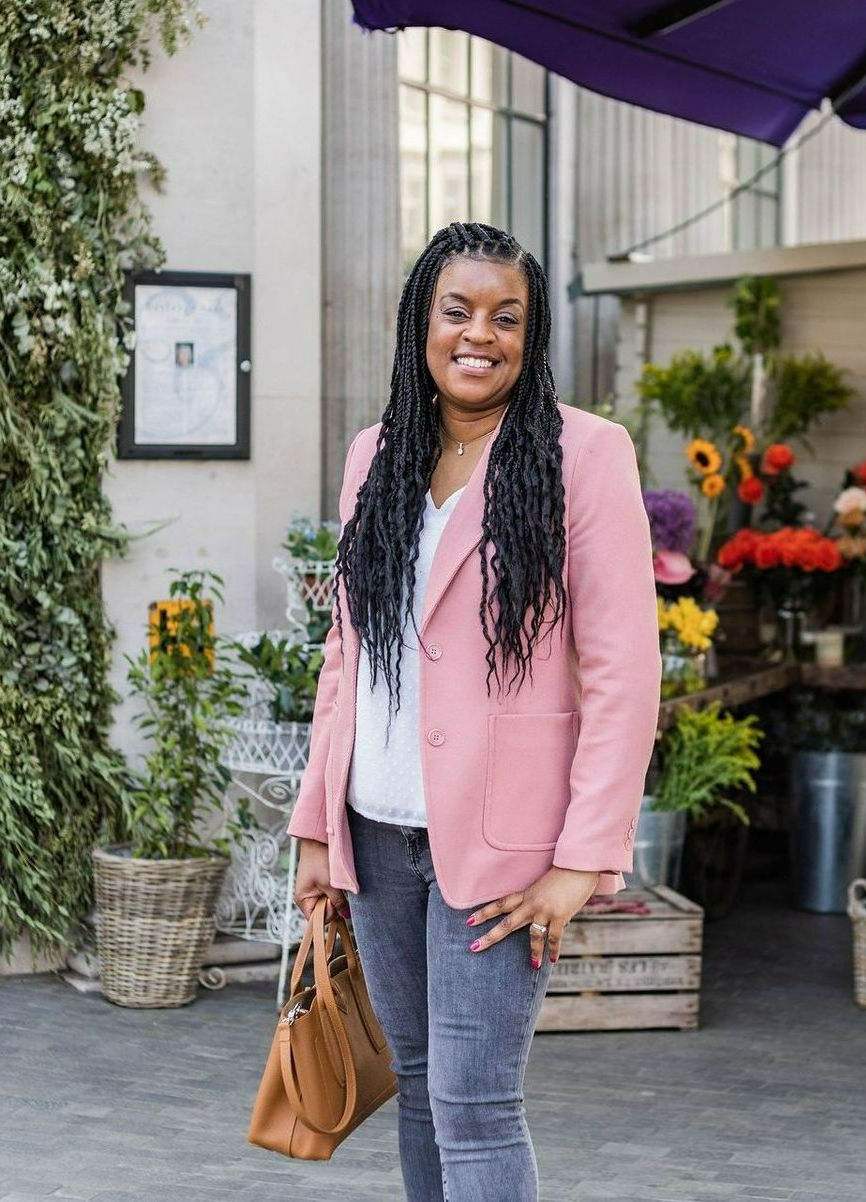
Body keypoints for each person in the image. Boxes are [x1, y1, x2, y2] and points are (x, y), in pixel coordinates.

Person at [287, 220, 661, 1200]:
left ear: (530, 337)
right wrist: (317, 826)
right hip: (375, 828)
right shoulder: (376, 454)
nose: (478, 334)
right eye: (457, 310)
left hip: (502, 849)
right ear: (422, 321)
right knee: (416, 1087)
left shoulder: (586, 453)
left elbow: (624, 671)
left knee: (476, 1103)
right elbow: (346, 652)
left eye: (506, 317)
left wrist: (581, 862)